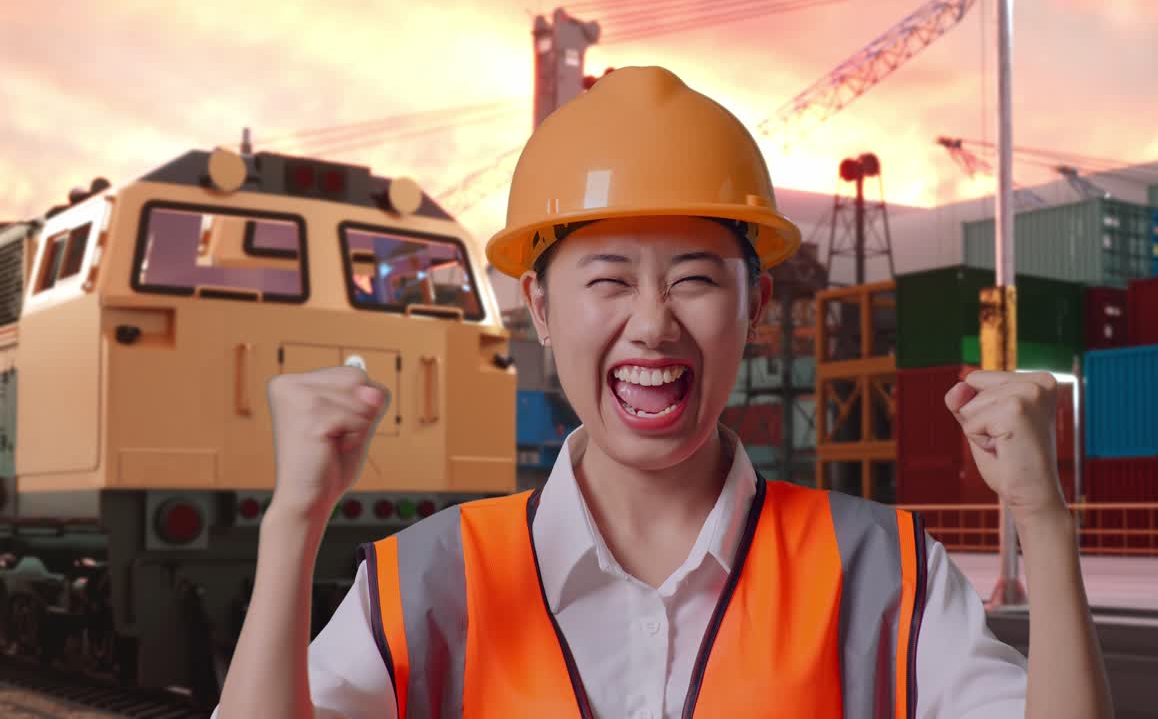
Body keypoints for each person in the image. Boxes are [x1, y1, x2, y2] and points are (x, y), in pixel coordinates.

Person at [214, 66, 1111, 718]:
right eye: (608, 280)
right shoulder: (424, 581)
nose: (652, 324)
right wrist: (292, 524)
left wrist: (1044, 518)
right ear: (540, 308)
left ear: (755, 305)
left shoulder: (884, 570)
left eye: (694, 279)